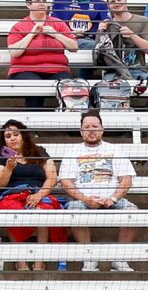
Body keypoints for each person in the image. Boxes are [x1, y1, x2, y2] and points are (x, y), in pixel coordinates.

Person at [53, 108, 139, 263]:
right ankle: (89, 258)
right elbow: (66, 183)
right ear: (81, 131)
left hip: (113, 199)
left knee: (134, 213)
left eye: (95, 126)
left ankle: (120, 259)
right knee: (74, 210)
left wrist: (113, 198)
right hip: (82, 200)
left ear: (102, 129)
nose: (91, 130)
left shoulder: (115, 150)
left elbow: (126, 180)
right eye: (87, 127)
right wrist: (86, 199)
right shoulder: (72, 152)